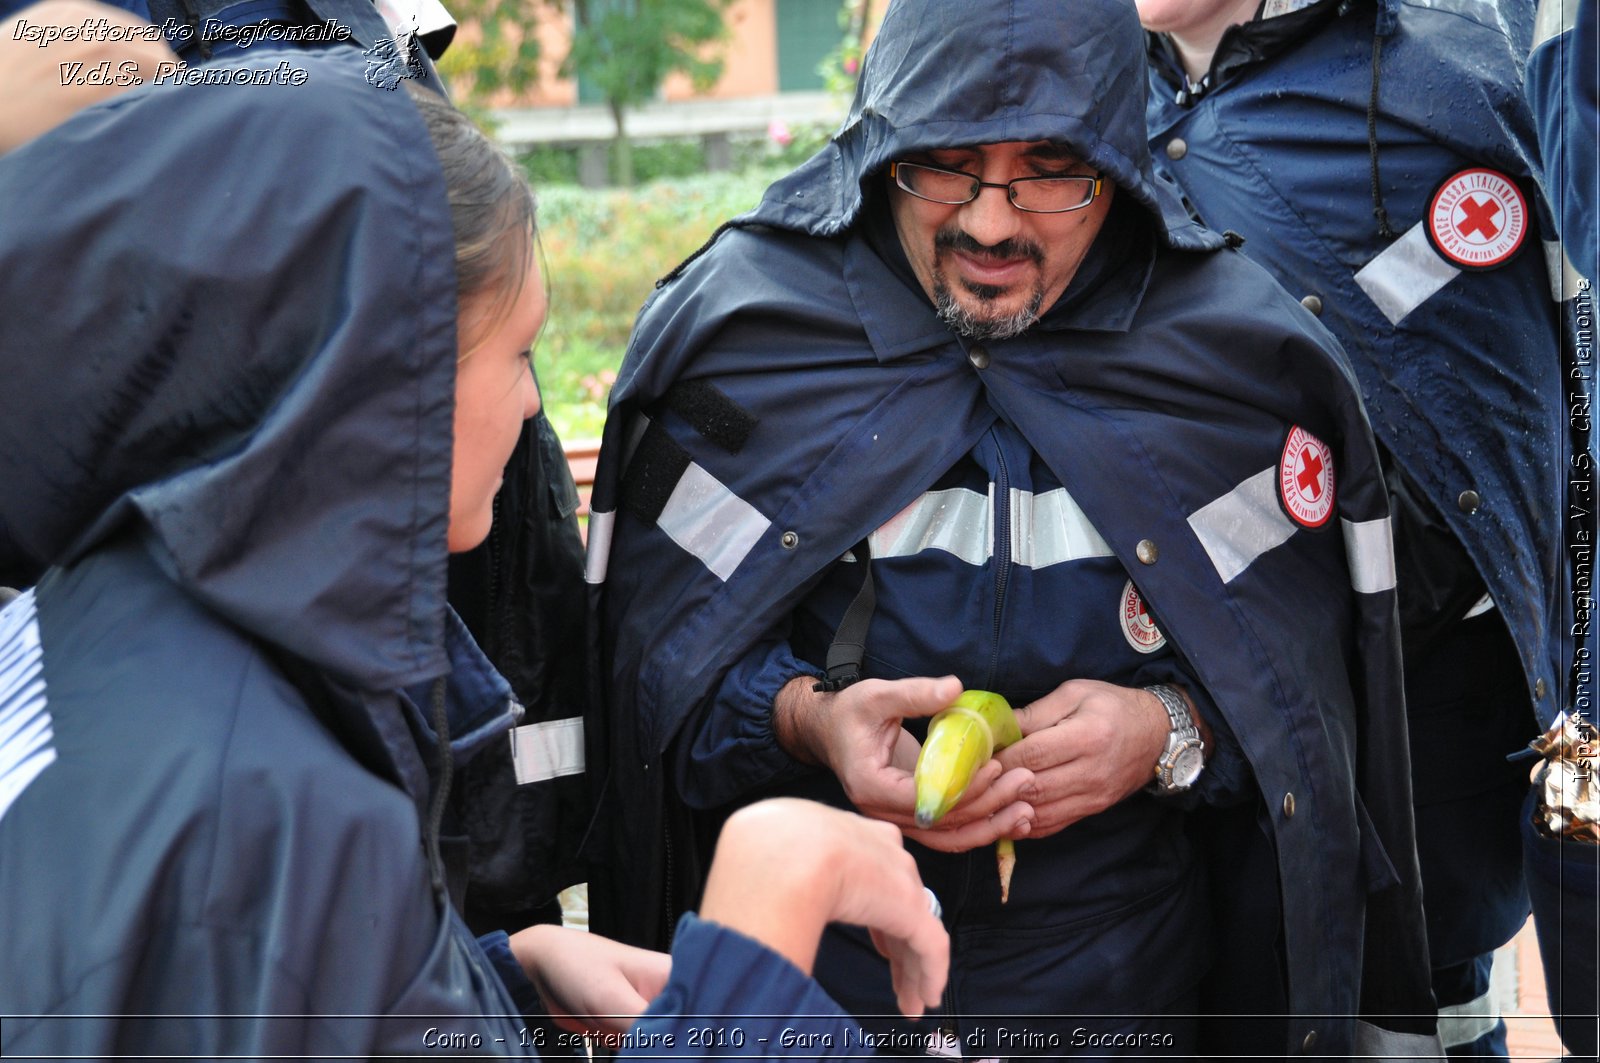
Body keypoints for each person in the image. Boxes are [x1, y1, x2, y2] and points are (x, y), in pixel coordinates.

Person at [0, 52, 949, 1056]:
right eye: (515, 352)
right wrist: (767, 912)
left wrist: (499, 978)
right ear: (368, 379)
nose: (534, 403)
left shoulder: (106, 612)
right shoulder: (278, 817)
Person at [585, 0, 1438, 1056]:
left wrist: (1170, 733)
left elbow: (1311, 710)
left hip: (1124, 1002)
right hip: (816, 1010)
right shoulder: (742, 346)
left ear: (1121, 170)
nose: (990, 223)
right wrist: (804, 718)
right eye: (941, 161)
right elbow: (651, 689)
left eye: (1050, 167)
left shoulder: (1239, 367)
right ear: (878, 147)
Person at [1137, 0, 1575, 1054]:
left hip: (1428, 717)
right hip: (1206, 713)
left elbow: (1540, 395)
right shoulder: (1082, 109)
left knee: (1422, 1002)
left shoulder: (1447, 84)